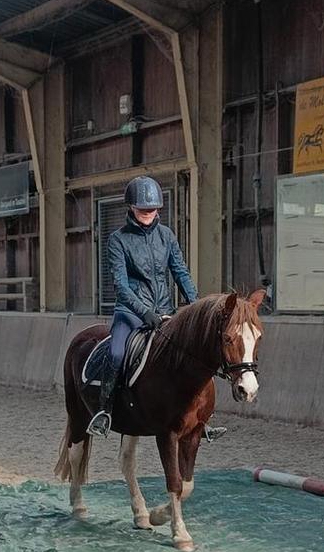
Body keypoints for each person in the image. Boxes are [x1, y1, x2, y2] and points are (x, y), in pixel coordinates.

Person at [86, 174, 227, 442]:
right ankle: (103, 412)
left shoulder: (167, 236)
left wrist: (194, 305)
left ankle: (201, 419)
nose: (148, 213)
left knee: (193, 355)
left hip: (165, 311)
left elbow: (180, 272)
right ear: (131, 208)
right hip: (130, 314)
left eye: (152, 209)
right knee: (116, 353)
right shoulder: (118, 240)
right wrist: (143, 312)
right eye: (143, 209)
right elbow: (121, 286)